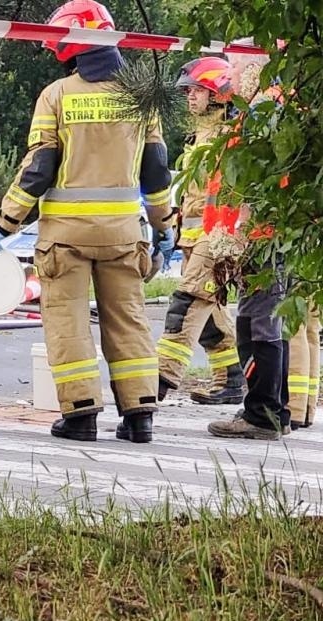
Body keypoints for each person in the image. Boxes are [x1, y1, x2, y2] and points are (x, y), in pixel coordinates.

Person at [0, 0, 174, 443]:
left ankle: (81, 415)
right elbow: (157, 170)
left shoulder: (58, 95)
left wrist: (5, 224)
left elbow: (40, 166)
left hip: (65, 236)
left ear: (70, 44)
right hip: (125, 233)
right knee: (128, 319)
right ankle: (140, 414)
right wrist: (165, 226)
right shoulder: (141, 94)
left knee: (66, 322)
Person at [206, 42, 293, 439]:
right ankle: (278, 412)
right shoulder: (280, 106)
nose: (231, 74)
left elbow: (248, 181)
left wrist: (232, 233)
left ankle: (261, 415)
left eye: (236, 65)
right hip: (276, 233)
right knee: (267, 322)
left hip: (260, 234)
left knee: (256, 324)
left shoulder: (263, 113)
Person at [153, 56, 244, 406]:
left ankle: (160, 378)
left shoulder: (230, 135)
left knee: (187, 305)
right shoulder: (201, 133)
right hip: (195, 236)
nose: (190, 97)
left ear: (219, 93)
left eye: (198, 90)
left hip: (218, 236)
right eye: (189, 90)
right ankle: (231, 380)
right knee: (209, 317)